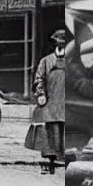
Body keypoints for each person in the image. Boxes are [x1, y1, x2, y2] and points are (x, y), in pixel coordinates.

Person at [32, 29, 67, 160]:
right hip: (50, 96)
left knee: (65, 125)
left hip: (65, 97)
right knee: (51, 124)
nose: (61, 43)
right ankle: (52, 152)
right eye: (59, 40)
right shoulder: (46, 61)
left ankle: (63, 153)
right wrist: (40, 93)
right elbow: (39, 78)